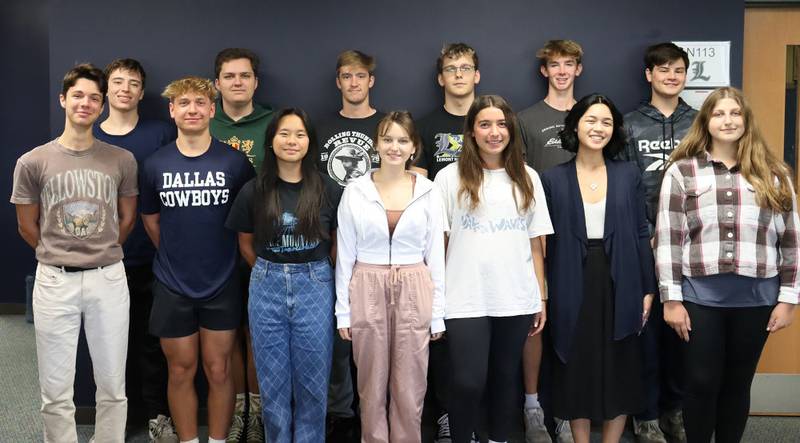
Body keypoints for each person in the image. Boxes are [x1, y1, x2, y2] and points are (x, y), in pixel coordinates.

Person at [655, 87, 798, 443]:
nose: (728, 120)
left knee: (737, 383)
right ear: (706, 122)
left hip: (757, 299)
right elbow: (669, 238)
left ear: (746, 121)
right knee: (701, 382)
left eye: (735, 113)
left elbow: (791, 240)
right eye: (719, 114)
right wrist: (671, 300)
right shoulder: (682, 172)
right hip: (699, 299)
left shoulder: (775, 174)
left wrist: (789, 298)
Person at [11, 63, 138, 443]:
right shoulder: (33, 161)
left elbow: (127, 218)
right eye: (78, 95)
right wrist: (58, 253)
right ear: (63, 99)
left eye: (94, 98)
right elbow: (26, 225)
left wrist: (100, 250)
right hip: (54, 280)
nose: (85, 103)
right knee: (55, 389)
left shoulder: (121, 160)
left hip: (108, 279)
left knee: (113, 384)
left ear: (102, 106)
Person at [139, 76, 255, 443]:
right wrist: (178, 255)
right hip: (172, 284)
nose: (192, 109)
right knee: (180, 370)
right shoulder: (155, 164)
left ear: (212, 110)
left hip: (222, 282)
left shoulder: (235, 162)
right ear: (172, 110)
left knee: (219, 370)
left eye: (200, 103)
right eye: (184, 103)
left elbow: (246, 223)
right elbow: (152, 221)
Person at [435, 95, 552, 443]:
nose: (494, 132)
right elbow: (439, 243)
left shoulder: (528, 177)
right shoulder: (448, 178)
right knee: (468, 381)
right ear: (471, 132)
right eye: (485, 124)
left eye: (501, 124)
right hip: (464, 298)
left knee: (504, 379)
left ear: (511, 129)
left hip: (515, 297)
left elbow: (536, 244)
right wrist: (437, 298)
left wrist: (540, 298)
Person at [541, 94, 655, 443]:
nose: (598, 128)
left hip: (622, 276)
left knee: (620, 364)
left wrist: (647, 287)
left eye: (606, 122)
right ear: (575, 125)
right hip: (568, 277)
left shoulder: (628, 174)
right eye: (591, 120)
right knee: (575, 364)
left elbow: (641, 232)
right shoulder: (552, 179)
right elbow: (543, 242)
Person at [226, 108, 343, 442]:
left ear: (310, 141)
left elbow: (337, 242)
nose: (292, 141)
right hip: (267, 286)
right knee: (272, 383)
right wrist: (271, 271)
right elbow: (245, 241)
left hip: (315, 286)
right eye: (284, 134)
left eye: (300, 134)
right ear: (271, 140)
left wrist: (314, 272)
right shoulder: (254, 190)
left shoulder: (328, 189)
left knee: (313, 382)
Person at [336, 111, 446, 442]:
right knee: (370, 382)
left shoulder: (429, 191)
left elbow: (435, 255)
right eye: (387, 139)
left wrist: (437, 314)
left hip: (414, 284)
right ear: (376, 144)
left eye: (402, 140)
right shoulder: (355, 190)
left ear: (414, 147)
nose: (394, 147)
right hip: (367, 284)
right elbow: (345, 254)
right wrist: (343, 311)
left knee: (411, 383)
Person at [92, 57, 178, 443]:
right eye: (118, 82)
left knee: (153, 343)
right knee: (110, 346)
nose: (125, 89)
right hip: (104, 259)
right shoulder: (91, 134)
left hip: (155, 256)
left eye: (133, 83)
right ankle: (119, 418)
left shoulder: (161, 133)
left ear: (142, 93)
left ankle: (158, 415)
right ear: (106, 89)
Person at [619, 42, 697, 443]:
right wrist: (644, 233)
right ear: (648, 74)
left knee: (684, 334)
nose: (671, 76)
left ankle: (675, 410)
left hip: (692, 247)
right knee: (645, 334)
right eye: (663, 69)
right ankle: (646, 415)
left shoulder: (699, 123)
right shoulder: (629, 124)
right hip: (645, 245)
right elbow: (624, 186)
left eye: (678, 70)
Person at [316, 49, 386, 440]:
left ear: (371, 81)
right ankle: (341, 413)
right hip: (331, 240)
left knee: (378, 333)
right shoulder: (321, 127)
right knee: (339, 335)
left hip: (379, 244)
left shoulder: (386, 126)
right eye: (347, 76)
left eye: (360, 76)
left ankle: (376, 411)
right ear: (338, 82)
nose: (354, 82)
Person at [518, 39, 584, 443]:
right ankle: (533, 407)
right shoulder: (526, 119)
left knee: (572, 326)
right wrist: (536, 237)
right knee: (535, 323)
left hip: (582, 239)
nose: (561, 71)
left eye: (568, 64)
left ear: (578, 69)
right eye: (554, 64)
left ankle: (566, 410)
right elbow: (520, 181)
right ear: (544, 71)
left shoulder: (591, 114)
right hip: (536, 237)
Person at [414, 41, 480, 443]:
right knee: (440, 332)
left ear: (477, 75)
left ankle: (477, 417)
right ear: (441, 78)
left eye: (465, 68)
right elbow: (418, 189)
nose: (458, 75)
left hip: (484, 242)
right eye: (451, 69)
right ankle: (444, 415)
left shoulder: (490, 120)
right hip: (438, 244)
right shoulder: (425, 125)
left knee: (479, 336)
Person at [210, 47, 274, 443]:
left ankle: (258, 412)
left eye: (245, 76)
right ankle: (236, 412)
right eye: (230, 76)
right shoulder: (204, 120)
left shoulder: (272, 122)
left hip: (260, 243)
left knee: (257, 332)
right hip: (213, 246)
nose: (238, 82)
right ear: (217, 83)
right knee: (227, 332)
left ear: (255, 82)